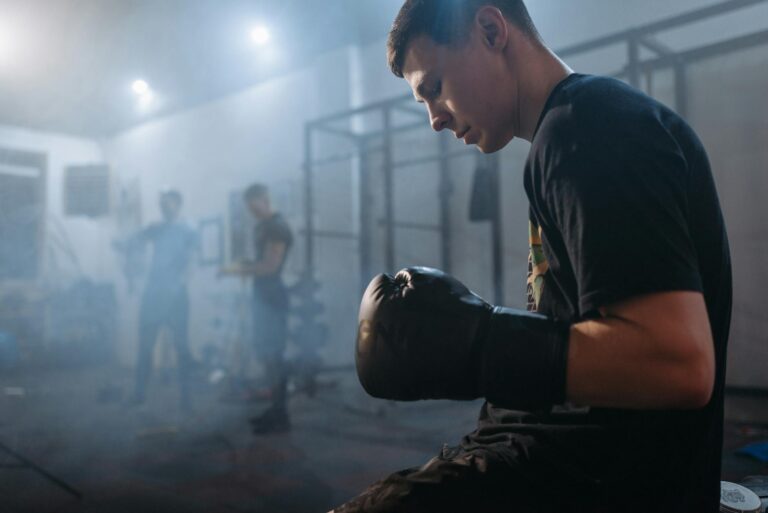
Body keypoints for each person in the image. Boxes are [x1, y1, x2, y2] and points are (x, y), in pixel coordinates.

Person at [334, 1, 731, 512]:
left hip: (598, 480)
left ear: (490, 29)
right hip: (568, 457)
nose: (433, 119)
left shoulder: (587, 129)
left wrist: (478, 344)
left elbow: (681, 364)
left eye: (433, 88)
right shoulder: (571, 132)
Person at [221, 183, 294, 434]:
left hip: (273, 298)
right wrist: (245, 265)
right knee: (266, 356)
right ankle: (275, 410)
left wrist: (237, 270)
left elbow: (270, 267)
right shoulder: (262, 227)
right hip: (262, 297)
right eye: (249, 209)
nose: (252, 212)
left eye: (254, 207)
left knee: (275, 357)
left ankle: (280, 415)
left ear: (265, 199)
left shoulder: (277, 227)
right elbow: (260, 263)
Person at [130, 189, 198, 411]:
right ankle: (138, 394)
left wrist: (180, 283)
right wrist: (129, 250)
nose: (163, 207)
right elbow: (134, 243)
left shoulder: (188, 229)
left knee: (181, 347)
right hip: (154, 294)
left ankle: (187, 398)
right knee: (145, 346)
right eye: (161, 204)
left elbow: (192, 260)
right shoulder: (156, 228)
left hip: (176, 296)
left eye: (167, 203)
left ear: (178, 204)